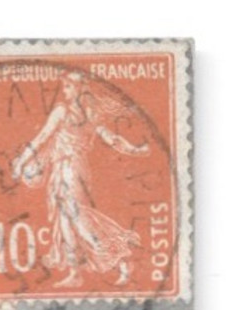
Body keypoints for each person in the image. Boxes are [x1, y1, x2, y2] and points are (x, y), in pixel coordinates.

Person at [9, 70, 152, 289]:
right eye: (64, 87)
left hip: (69, 167)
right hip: (69, 167)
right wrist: (136, 150)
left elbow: (42, 137)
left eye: (67, 87)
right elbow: (112, 140)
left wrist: (20, 162)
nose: (64, 91)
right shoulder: (92, 115)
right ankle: (75, 272)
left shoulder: (62, 111)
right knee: (65, 219)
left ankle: (120, 258)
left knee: (76, 216)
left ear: (77, 89)